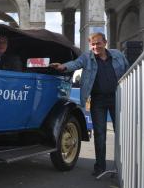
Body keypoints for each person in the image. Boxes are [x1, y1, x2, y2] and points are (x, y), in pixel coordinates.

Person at [50, 32, 129, 177]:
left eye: (98, 43)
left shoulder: (117, 55)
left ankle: (121, 167)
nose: (95, 47)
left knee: (121, 133)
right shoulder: (87, 57)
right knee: (99, 134)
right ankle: (100, 167)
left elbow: (128, 70)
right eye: (92, 44)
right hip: (97, 100)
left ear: (105, 42)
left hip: (117, 98)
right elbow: (75, 64)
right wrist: (62, 67)